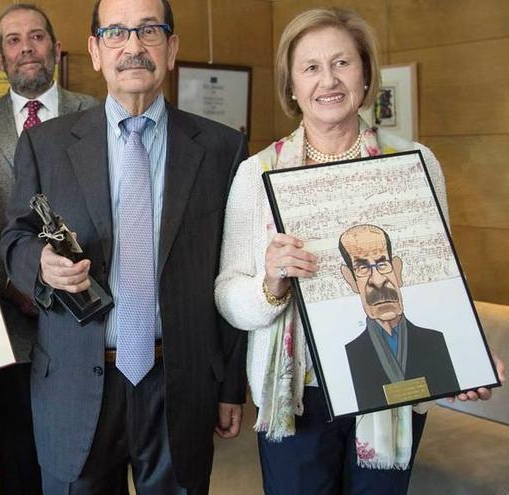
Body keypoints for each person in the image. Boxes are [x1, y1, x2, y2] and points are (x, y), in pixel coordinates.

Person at [214, 8, 505, 494]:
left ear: (366, 74)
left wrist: (466, 355)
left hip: (392, 386)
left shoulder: (414, 163)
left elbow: (438, 279)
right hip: (297, 396)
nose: (327, 80)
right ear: (291, 85)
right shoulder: (256, 175)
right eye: (310, 68)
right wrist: (270, 285)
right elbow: (227, 296)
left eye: (341, 63)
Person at [0, 0, 247, 493]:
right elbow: (15, 237)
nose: (133, 46)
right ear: (95, 51)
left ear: (172, 48)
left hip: (180, 382)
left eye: (148, 31)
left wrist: (231, 386)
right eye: (116, 33)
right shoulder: (44, 146)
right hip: (74, 380)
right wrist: (41, 266)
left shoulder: (222, 149)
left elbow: (233, 268)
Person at [0, 4, 97, 493]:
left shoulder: (95, 114)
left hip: (86, 316)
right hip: (8, 322)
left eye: (36, 37)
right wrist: (13, 282)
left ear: (56, 49)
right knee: (19, 458)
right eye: (13, 41)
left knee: (86, 460)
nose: (26, 48)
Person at [339, 224, 460, 411]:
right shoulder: (348, 354)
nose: (378, 280)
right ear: (350, 279)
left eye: (383, 264)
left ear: (396, 269)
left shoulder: (436, 342)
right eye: (362, 268)